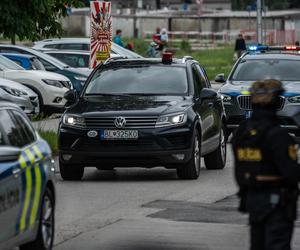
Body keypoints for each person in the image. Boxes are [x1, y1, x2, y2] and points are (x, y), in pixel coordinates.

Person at [232, 79, 300, 250]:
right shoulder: (278, 136)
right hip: (277, 202)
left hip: (253, 200)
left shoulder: (242, 132)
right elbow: (290, 173)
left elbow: (239, 170)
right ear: (276, 102)